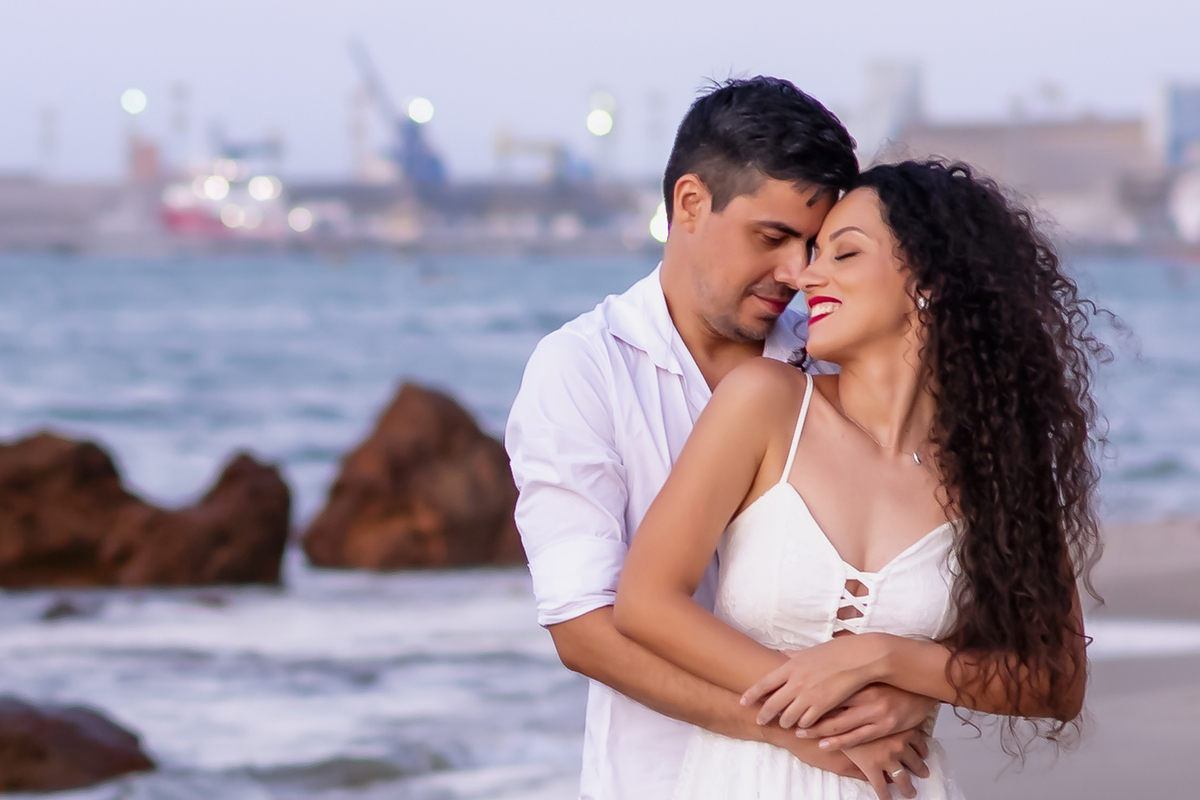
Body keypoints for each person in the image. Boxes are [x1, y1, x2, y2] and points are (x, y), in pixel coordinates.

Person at [614, 160, 1104, 799]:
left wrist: (889, 661)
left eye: (843, 254)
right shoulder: (766, 403)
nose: (806, 275)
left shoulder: (997, 467)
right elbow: (646, 603)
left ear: (931, 280)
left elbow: (1055, 680)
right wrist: (830, 711)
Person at [506, 78, 940, 800]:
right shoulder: (583, 368)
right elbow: (585, 628)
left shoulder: (838, 358)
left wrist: (911, 688)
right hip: (660, 780)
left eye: (817, 245)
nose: (798, 274)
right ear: (690, 204)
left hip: (860, 779)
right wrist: (788, 726)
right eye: (772, 238)